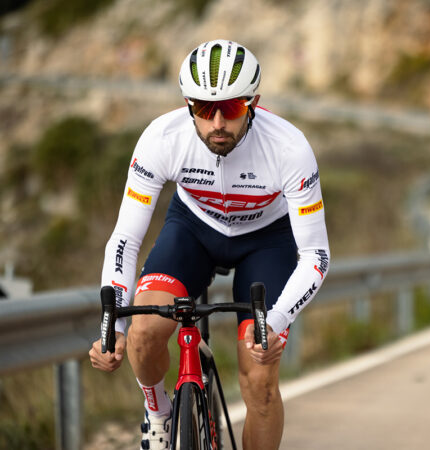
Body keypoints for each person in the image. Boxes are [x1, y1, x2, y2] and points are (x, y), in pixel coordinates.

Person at [89, 39, 330, 450]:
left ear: (253, 103)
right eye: (203, 108)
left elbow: (316, 256)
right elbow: (125, 239)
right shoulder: (162, 138)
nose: (217, 122)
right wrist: (114, 329)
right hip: (193, 230)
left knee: (260, 381)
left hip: (265, 241)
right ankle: (158, 413)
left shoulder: (289, 149)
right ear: (188, 105)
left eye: (231, 108)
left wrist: (275, 323)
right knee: (144, 333)